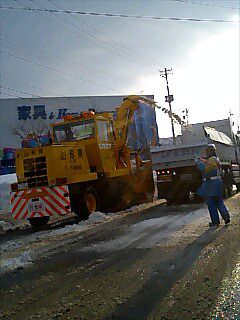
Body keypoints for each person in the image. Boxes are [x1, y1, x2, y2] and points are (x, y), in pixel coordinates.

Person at [195, 144, 230, 227]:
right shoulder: (216, 159)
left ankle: (215, 221)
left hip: (211, 184)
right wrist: (202, 160)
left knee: (211, 203)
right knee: (219, 202)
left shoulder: (212, 159)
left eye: (207, 151)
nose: (206, 152)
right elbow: (209, 165)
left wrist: (197, 162)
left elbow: (204, 169)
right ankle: (226, 217)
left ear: (210, 151)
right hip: (217, 183)